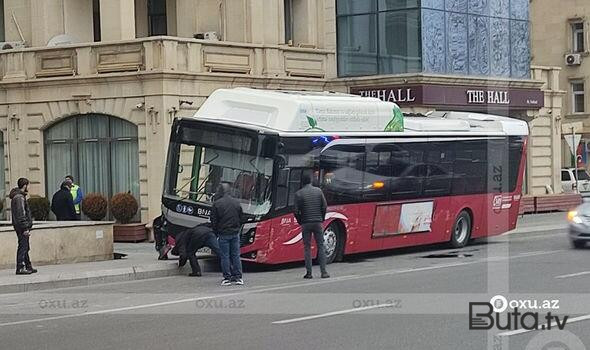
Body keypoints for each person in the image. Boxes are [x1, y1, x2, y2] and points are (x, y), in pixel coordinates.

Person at [294, 173, 330, 279]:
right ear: (310, 181)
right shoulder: (318, 191)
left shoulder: (299, 194)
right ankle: (324, 272)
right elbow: (324, 206)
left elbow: (295, 211)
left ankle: (309, 273)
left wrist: (300, 221)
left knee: (307, 248)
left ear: (302, 182)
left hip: (306, 223)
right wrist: (322, 218)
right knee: (321, 246)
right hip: (318, 222)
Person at [210, 183, 244, 286]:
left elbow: (214, 221)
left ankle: (227, 278)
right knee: (236, 256)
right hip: (235, 233)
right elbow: (241, 218)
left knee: (225, 256)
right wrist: (237, 229)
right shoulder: (236, 203)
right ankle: (238, 277)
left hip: (223, 234)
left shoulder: (217, 204)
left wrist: (216, 233)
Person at [10, 178, 37, 275]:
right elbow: (21, 214)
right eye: (28, 185)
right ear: (25, 185)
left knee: (25, 246)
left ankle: (28, 265)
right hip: (21, 226)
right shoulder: (19, 198)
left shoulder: (19, 197)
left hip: (20, 225)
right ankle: (20, 267)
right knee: (23, 246)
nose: (28, 187)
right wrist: (25, 228)